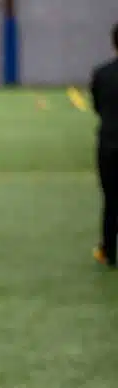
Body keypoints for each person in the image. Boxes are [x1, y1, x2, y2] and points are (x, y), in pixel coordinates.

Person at [90, 23, 118, 268]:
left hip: (109, 143)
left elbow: (97, 107)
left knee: (110, 199)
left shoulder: (101, 74)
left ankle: (109, 251)